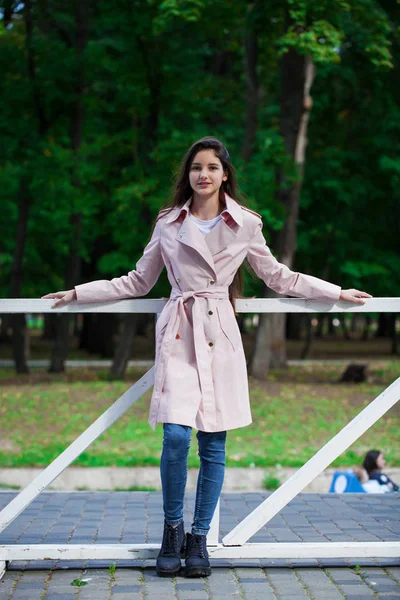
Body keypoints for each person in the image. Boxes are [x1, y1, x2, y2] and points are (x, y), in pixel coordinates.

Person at [42, 136, 373, 578]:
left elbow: (277, 276)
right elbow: (137, 281)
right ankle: (172, 530)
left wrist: (335, 293)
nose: (203, 174)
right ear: (188, 174)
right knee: (176, 437)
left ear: (225, 174)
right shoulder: (168, 223)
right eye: (197, 167)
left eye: (212, 167)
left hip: (219, 334)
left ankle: (199, 539)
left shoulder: (246, 224)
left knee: (213, 442)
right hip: (179, 332)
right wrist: (79, 293)